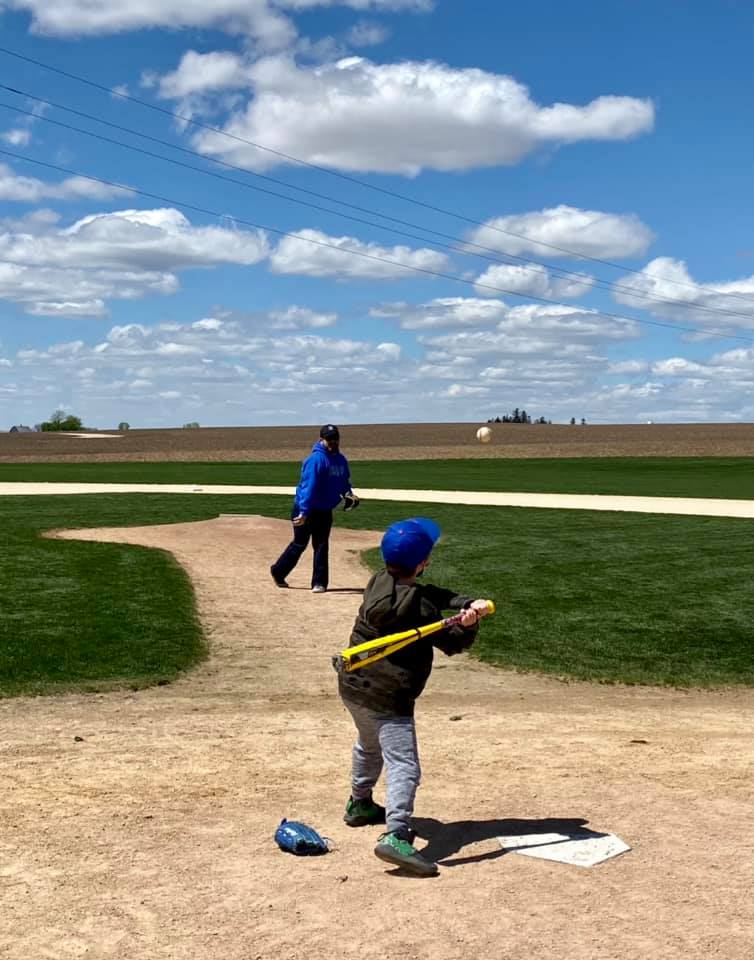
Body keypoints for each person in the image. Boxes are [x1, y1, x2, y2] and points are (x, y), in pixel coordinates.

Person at [337, 517, 491, 876]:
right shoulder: (420, 609)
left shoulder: (379, 581)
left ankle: (360, 804)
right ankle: (396, 835)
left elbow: (428, 593)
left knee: (368, 745)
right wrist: (470, 624)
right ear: (422, 562)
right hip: (390, 696)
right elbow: (453, 644)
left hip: (353, 686)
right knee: (404, 764)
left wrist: (465, 602)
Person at [270, 424, 358, 593]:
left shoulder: (341, 460)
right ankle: (278, 571)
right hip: (306, 508)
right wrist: (303, 512)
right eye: (329, 439)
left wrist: (348, 493)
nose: (333, 442)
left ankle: (319, 583)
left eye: (336, 439)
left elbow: (343, 482)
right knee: (299, 544)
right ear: (321, 440)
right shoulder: (315, 460)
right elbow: (308, 488)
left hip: (325, 509)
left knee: (322, 545)